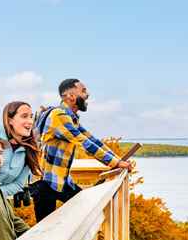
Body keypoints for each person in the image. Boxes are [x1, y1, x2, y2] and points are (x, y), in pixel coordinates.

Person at [32, 78, 133, 222]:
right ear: (71, 96)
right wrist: (115, 163)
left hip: (62, 181)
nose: (88, 95)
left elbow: (93, 140)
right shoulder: (58, 116)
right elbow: (84, 143)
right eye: (84, 91)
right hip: (45, 183)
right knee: (43, 231)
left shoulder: (71, 118)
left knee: (86, 210)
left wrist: (118, 160)